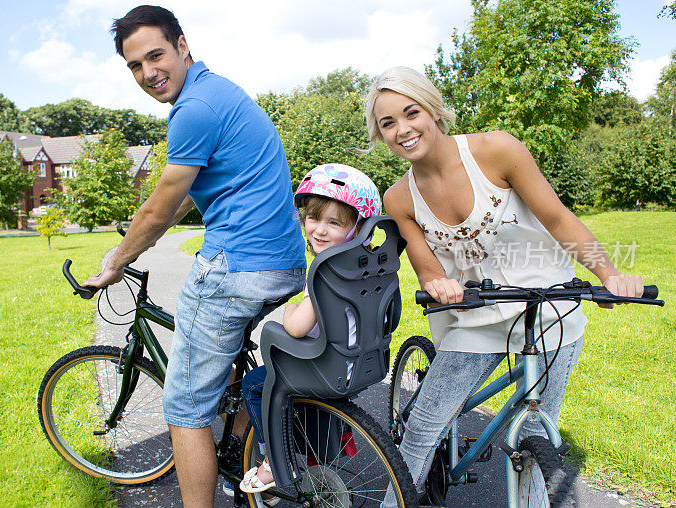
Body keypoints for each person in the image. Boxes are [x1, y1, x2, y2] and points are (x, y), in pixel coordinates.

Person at [365, 67, 644, 507]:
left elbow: (558, 219)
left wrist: (608, 273)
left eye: (410, 112)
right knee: (422, 429)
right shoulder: (398, 198)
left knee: (535, 437)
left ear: (433, 110)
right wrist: (440, 286)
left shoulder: (497, 150)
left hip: (547, 305)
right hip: (477, 311)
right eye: (387, 123)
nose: (402, 129)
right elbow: (427, 270)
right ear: (380, 136)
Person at [85, 6, 306, 507]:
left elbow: (162, 204)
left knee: (184, 407)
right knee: (232, 369)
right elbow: (191, 191)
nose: (148, 74)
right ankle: (243, 458)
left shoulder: (193, 110)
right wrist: (150, 231)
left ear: (183, 45)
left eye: (156, 56)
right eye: (135, 66)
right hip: (283, 263)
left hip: (236, 269)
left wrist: (117, 259)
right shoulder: (219, 92)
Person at [238, 163, 382, 496]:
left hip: (324, 365)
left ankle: (277, 460)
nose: (318, 230)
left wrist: (290, 310)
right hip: (359, 363)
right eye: (313, 218)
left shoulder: (325, 271)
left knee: (256, 385)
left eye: (334, 222)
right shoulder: (368, 266)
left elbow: (298, 326)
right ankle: (314, 462)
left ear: (359, 227)